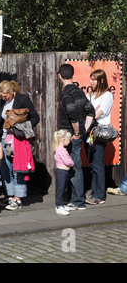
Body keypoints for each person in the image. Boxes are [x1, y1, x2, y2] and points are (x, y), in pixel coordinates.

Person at [0, 80, 39, 211]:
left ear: (11, 92)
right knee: (5, 168)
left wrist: (24, 127)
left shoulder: (22, 99)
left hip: (17, 139)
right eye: (2, 97)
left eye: (5, 96)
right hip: (5, 139)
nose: (3, 98)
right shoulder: (3, 101)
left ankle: (18, 198)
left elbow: (35, 117)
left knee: (17, 168)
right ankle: (10, 196)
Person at [58, 63, 95, 211]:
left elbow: (72, 112)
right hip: (75, 136)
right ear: (72, 75)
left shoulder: (66, 93)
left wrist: (78, 132)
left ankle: (78, 201)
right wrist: (84, 129)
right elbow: (90, 111)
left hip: (69, 137)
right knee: (76, 167)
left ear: (60, 76)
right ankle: (76, 199)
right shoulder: (79, 92)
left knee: (72, 167)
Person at [85, 69, 114, 205]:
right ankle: (94, 190)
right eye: (91, 79)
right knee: (91, 164)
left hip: (98, 134)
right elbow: (86, 112)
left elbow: (99, 113)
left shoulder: (107, 95)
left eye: (94, 79)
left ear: (101, 80)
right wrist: (91, 112)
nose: (91, 82)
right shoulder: (89, 95)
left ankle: (100, 195)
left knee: (98, 164)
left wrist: (91, 113)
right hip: (88, 134)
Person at [53, 129, 74, 216]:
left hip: (63, 172)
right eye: (69, 139)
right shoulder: (61, 150)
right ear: (63, 140)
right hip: (61, 172)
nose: (69, 141)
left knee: (62, 189)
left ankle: (61, 204)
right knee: (60, 189)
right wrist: (72, 163)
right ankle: (59, 206)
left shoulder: (59, 148)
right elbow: (68, 161)